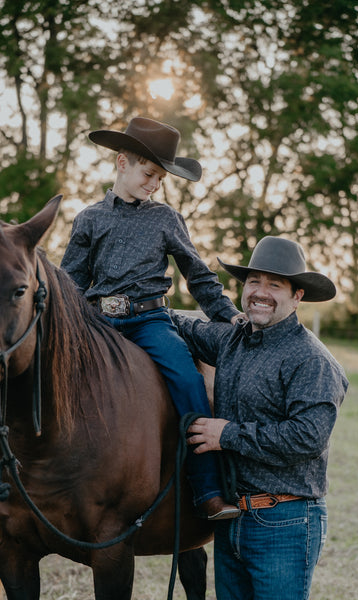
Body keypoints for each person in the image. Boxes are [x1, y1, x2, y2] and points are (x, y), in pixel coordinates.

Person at [171, 236, 348, 600]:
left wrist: (228, 435)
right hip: (235, 519)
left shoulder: (312, 361)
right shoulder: (235, 341)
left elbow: (306, 439)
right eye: (253, 281)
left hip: (286, 521)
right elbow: (180, 323)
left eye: (274, 284)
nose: (261, 292)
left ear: (297, 295)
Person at [61, 116, 240, 520]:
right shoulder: (89, 218)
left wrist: (228, 316)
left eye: (160, 178)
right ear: (122, 162)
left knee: (189, 382)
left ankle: (208, 491)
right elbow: (72, 281)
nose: (154, 184)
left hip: (150, 322)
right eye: (149, 173)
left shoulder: (166, 219)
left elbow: (198, 274)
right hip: (96, 324)